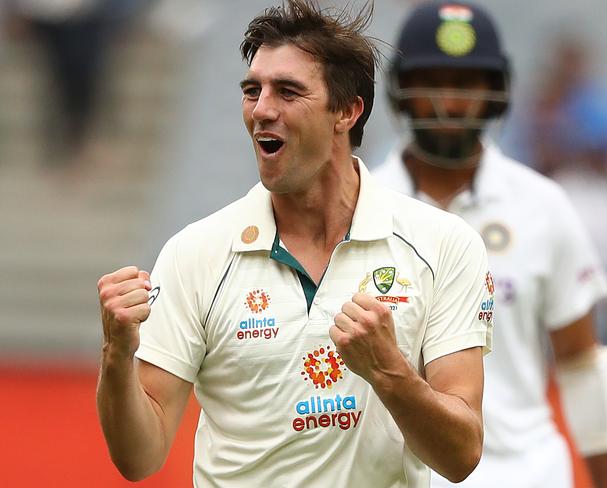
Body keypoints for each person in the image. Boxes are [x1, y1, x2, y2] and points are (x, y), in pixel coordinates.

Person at [96, 1, 494, 486]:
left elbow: (461, 456)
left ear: (347, 112)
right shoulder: (195, 252)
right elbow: (140, 457)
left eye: (287, 91)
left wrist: (389, 372)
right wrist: (117, 356)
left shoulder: (443, 245)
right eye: (252, 90)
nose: (262, 109)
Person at [374, 2, 607, 487]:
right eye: (432, 82)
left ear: (496, 92)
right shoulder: (362, 207)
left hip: (527, 474)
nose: (450, 102)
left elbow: (581, 365)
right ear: (401, 90)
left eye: (467, 84)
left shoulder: (542, 205)